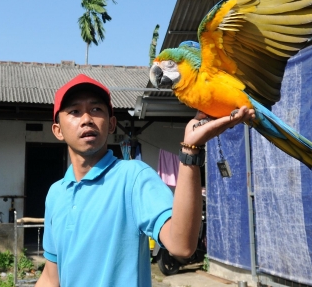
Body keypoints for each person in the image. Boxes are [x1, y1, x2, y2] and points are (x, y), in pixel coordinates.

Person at [35, 74, 254, 287]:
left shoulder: (133, 177)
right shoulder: (56, 193)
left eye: (96, 109)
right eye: (74, 111)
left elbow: (181, 245)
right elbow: (52, 277)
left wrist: (190, 152)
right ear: (58, 130)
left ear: (111, 124)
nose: (86, 120)